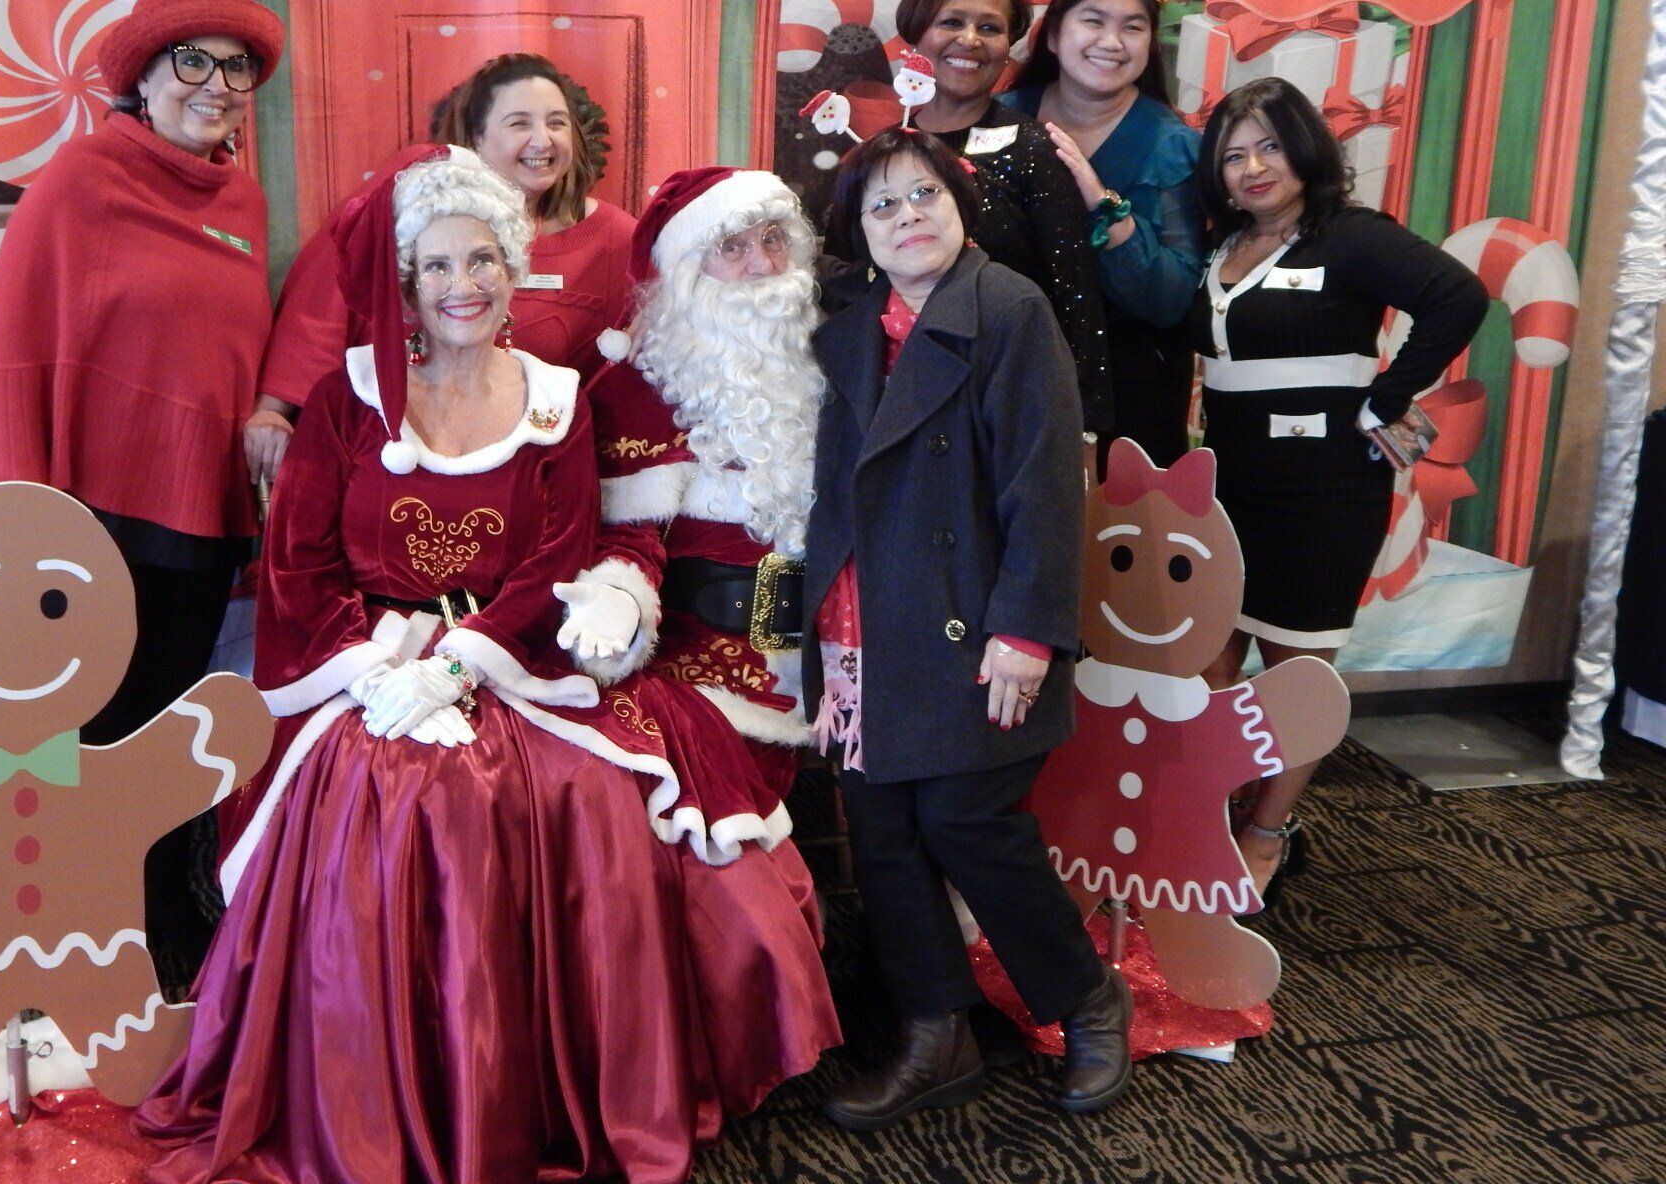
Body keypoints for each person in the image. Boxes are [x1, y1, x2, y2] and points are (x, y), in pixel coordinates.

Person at [136, 146, 835, 1184]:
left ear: (513, 270)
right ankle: (392, 1099)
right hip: (369, 666)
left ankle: (549, 1088)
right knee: (390, 792)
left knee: (587, 796)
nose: (463, 284)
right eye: (438, 265)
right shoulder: (347, 399)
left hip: (511, 658)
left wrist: (462, 662)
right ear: (406, 283)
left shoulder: (558, 400)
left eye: (483, 260)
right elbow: (300, 565)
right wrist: (375, 671)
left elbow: (557, 558)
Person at [0, 0, 286, 966]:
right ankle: (88, 927)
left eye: (237, 68)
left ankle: (163, 900)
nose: (216, 84)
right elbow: (13, 342)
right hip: (89, 508)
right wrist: (15, 507)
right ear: (144, 76)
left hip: (199, 506)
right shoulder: (83, 179)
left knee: (166, 721)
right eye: (194, 62)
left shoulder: (243, 199)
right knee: (86, 724)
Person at [805, 127, 1132, 1129]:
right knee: (883, 835)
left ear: (960, 205)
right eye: (883, 205)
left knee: (966, 822)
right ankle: (935, 1030)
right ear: (860, 233)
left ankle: (1086, 998)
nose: (908, 216)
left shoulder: (1008, 308)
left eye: (926, 196)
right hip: (863, 620)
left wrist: (1026, 631)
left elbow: (1047, 486)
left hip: (974, 622)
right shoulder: (851, 327)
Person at [1190, 78, 1487, 896]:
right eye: (1233, 155)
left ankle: (1268, 831)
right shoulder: (1222, 244)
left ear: (1305, 150)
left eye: (1270, 147)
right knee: (1207, 662)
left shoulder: (1349, 236)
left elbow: (1458, 296)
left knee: (1297, 674)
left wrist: (1389, 398)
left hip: (1321, 495)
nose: (1253, 168)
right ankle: (1209, 816)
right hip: (1228, 489)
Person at [556, 167, 826, 845]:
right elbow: (621, 541)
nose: (763, 265)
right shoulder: (635, 388)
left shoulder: (836, 364)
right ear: (686, 276)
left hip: (832, 669)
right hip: (692, 675)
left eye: (773, 240)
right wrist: (615, 601)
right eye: (732, 247)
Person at [244, 53, 634, 490]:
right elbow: (323, 298)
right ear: (477, 137)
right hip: (385, 456)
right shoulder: (415, 183)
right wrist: (274, 409)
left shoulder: (614, 239)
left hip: (516, 477)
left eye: (557, 123)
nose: (542, 141)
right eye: (519, 123)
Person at [830, 0, 1110, 436]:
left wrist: (1082, 432)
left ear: (1009, 46)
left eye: (990, 27)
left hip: (1003, 411)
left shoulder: (1034, 149)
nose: (970, 40)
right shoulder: (877, 156)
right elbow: (845, 280)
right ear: (916, 34)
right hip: (892, 409)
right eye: (952, 22)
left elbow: (1076, 300)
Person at [1000, 0, 1206, 467]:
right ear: (1054, 35)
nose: (1111, 42)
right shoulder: (997, 122)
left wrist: (1102, 203)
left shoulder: (1174, 146)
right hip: (1003, 373)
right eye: (1093, 20)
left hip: (1131, 390)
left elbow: (1171, 299)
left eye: (1132, 27)